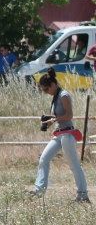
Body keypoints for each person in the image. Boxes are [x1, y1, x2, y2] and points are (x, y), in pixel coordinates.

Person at [29, 68, 89, 203]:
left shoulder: (64, 95)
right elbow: (60, 116)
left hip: (67, 134)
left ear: (52, 85)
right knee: (44, 159)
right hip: (59, 134)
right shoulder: (56, 96)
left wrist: (54, 120)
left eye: (46, 89)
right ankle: (39, 190)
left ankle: (83, 194)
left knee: (74, 165)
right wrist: (51, 121)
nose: (46, 92)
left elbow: (69, 115)